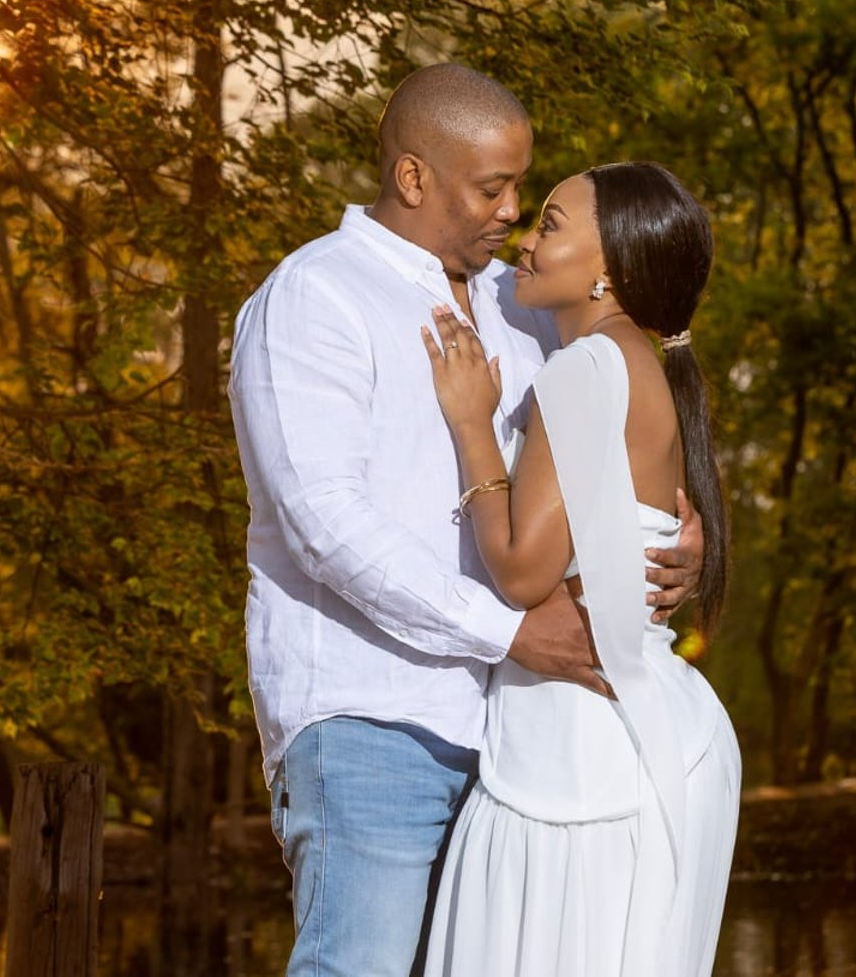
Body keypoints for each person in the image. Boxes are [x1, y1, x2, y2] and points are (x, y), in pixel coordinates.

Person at [227, 64, 706, 977]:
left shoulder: (519, 310)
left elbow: (604, 452)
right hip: (374, 722)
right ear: (413, 177)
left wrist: (672, 540)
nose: (513, 212)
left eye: (522, 188)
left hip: (517, 737)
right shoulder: (317, 297)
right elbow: (325, 525)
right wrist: (510, 631)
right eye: (493, 188)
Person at [418, 161, 741, 977]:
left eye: (551, 224)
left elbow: (523, 572)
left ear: (612, 267)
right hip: (632, 741)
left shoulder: (587, 367)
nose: (526, 240)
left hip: (590, 764)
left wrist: (473, 425)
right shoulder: (636, 362)